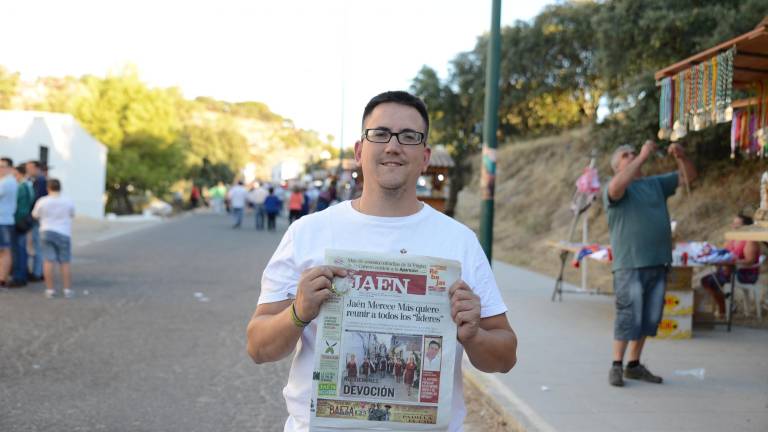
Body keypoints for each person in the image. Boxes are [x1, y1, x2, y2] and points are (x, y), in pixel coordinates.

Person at [246, 91, 517, 431]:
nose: (393, 145)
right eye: (380, 134)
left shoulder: (459, 241)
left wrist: (474, 334)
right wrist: (298, 312)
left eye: (409, 137)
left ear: (424, 156)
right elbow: (258, 347)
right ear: (360, 151)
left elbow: (505, 357)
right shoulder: (308, 233)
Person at [604, 140, 697, 387]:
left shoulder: (654, 184)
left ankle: (633, 365)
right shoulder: (615, 188)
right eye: (626, 155)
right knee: (628, 315)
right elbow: (615, 188)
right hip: (630, 264)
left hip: (659, 261)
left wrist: (681, 155)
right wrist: (644, 155)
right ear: (617, 167)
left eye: (634, 152)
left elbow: (689, 176)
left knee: (649, 317)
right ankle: (616, 365)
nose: (633, 155)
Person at [700, 214, 760, 317]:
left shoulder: (750, 240)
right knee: (707, 280)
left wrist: (732, 262)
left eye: (737, 224)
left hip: (744, 274)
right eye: (734, 223)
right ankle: (726, 306)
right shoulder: (733, 238)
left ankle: (724, 309)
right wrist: (711, 252)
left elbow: (750, 261)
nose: (734, 226)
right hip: (730, 270)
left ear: (746, 227)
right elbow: (724, 252)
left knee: (710, 281)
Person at [31, 179, 75, 298]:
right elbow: (72, 214)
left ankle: (50, 289)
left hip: (46, 230)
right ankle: (67, 289)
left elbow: (35, 215)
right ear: (60, 188)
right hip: (64, 232)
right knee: (65, 262)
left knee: (48, 260)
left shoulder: (43, 201)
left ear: (48, 188)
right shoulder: (68, 201)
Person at [9, 164, 34, 288]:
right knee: (22, 249)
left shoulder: (21, 187)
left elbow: (14, 202)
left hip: (18, 220)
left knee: (18, 250)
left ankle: (19, 276)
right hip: (25, 220)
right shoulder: (29, 185)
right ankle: (23, 274)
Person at [25, 160, 46, 282]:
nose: (28, 170)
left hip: (36, 218)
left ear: (37, 168)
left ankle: (38, 272)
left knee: (37, 245)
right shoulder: (36, 181)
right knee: (34, 245)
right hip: (35, 217)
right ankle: (38, 271)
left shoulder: (41, 181)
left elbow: (37, 199)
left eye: (30, 167)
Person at [0, 157, 18, 287]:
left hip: (3, 221)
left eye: (3, 166)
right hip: (5, 220)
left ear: (10, 168)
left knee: (5, 250)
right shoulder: (9, 181)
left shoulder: (6, 182)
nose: (0, 168)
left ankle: (2, 279)